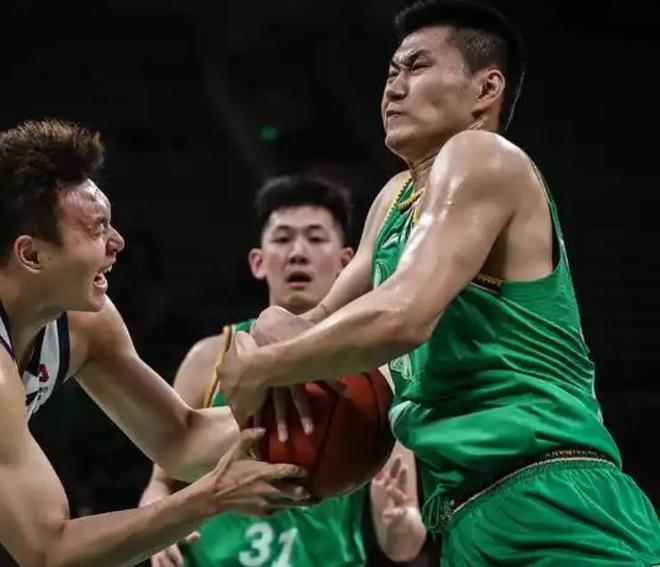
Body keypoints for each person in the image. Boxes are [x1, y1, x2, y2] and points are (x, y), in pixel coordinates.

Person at [216, 1, 660, 565]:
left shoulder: (485, 157)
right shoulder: (393, 200)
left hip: (554, 498)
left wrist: (264, 366)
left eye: (417, 66)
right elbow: (314, 321)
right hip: (464, 516)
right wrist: (268, 332)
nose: (393, 87)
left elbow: (403, 315)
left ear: (486, 89)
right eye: (390, 72)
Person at [0, 119, 308, 567]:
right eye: (97, 229)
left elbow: (182, 438)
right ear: (31, 255)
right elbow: (49, 552)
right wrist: (210, 497)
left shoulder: (85, 323)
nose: (118, 242)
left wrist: (308, 402)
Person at [141, 175, 427, 566]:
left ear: (347, 263)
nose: (297, 252)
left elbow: (404, 542)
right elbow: (160, 481)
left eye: (315, 238)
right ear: (257, 262)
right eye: (282, 238)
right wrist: (156, 527)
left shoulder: (379, 373)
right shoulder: (210, 357)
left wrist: (399, 521)